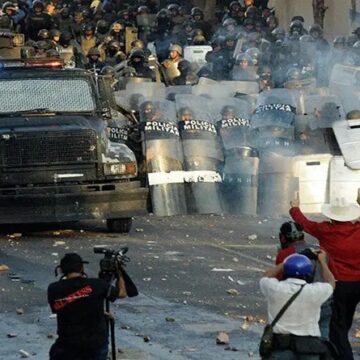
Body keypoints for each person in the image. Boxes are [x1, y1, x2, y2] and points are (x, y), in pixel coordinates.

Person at [290, 197, 360, 359]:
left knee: (337, 328)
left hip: (338, 284)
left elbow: (304, 224)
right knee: (345, 321)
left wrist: (295, 208)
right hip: (358, 283)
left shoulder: (326, 230)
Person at [48, 253, 128, 360]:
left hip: (67, 346)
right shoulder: (98, 284)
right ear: (82, 268)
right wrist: (120, 274)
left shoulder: (54, 288)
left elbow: (62, 308)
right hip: (95, 346)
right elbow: (122, 293)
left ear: (61, 270)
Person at [260, 252, 335, 359]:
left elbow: (266, 275)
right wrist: (322, 261)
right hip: (308, 346)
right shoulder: (315, 291)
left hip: (281, 345)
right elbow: (331, 282)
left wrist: (285, 263)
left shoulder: (275, 288)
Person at [276, 221, 336, 341]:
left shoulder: (285, 254)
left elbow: (278, 281)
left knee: (299, 340)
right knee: (323, 340)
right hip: (324, 302)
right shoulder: (320, 250)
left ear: (282, 238)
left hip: (300, 304)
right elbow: (334, 276)